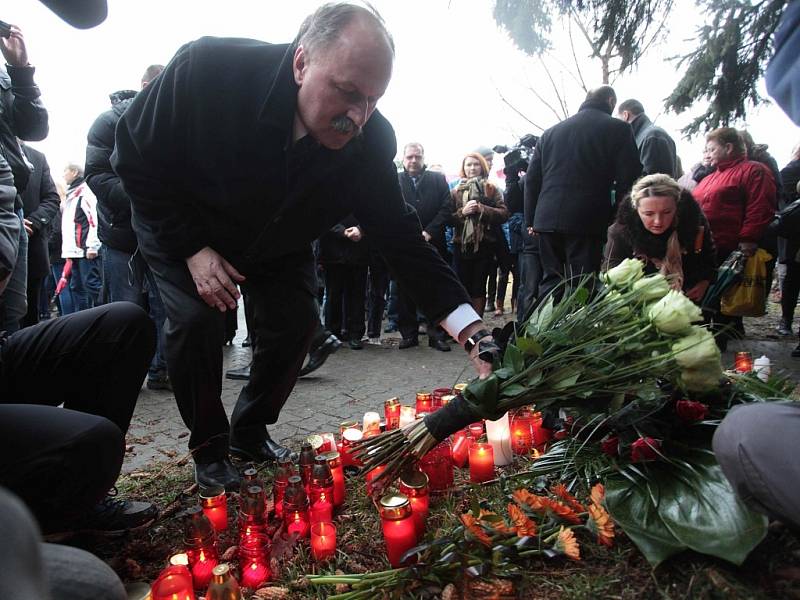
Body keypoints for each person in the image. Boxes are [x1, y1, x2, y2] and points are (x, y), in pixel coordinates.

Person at [112, 3, 496, 490]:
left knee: (297, 323)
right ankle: (209, 450)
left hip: (278, 237)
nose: (357, 116)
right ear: (301, 63)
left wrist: (473, 333)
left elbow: (399, 239)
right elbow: (132, 154)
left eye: (373, 99)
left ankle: (248, 430)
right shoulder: (207, 70)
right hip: (184, 225)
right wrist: (190, 247)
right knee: (195, 322)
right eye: (348, 92)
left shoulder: (371, 140)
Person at [85, 64, 171, 390]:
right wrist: (144, 198)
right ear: (146, 85)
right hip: (122, 237)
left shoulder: (172, 123)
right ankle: (124, 375)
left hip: (161, 235)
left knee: (166, 308)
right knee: (126, 308)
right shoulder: (108, 123)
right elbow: (97, 174)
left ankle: (162, 371)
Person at [525, 86, 642, 302]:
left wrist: (531, 219)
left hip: (546, 218)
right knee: (582, 284)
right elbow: (630, 176)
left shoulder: (551, 132)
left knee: (551, 281)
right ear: (610, 101)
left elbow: (532, 180)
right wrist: (616, 214)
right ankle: (577, 333)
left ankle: (541, 332)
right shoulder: (618, 128)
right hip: (587, 217)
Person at [692, 127, 776, 345]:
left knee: (724, 299)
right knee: (703, 296)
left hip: (730, 246)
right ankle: (699, 340)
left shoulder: (753, 171)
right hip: (705, 246)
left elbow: (760, 206)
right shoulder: (712, 175)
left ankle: (720, 344)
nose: (708, 153)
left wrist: (749, 237)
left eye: (712, 148)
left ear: (728, 147)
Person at [0, 22, 49, 333]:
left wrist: (20, 70)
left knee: (13, 311)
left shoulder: (5, 75)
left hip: (10, 203)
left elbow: (35, 129)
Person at [604, 173, 716, 301]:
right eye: (649, 214)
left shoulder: (695, 225)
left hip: (686, 300)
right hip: (638, 302)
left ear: (677, 208)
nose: (658, 221)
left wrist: (705, 281)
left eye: (667, 212)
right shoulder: (621, 232)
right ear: (636, 209)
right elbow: (611, 272)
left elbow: (709, 257)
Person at [396, 142, 452, 351]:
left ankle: (436, 334)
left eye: (417, 157)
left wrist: (429, 232)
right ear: (403, 158)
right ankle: (408, 334)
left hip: (433, 242)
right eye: (409, 157)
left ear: (423, 158)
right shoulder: (395, 180)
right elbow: (388, 209)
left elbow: (447, 208)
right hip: (403, 244)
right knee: (404, 290)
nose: (413, 161)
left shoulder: (437, 180)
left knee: (435, 289)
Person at [450, 152, 509, 316]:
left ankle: (477, 326)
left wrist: (483, 209)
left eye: (476, 164)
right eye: (468, 164)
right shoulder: (455, 190)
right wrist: (463, 212)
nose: (472, 168)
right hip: (460, 245)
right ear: (463, 168)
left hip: (485, 245)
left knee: (478, 287)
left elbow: (504, 214)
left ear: (482, 166)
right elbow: (447, 218)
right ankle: (462, 324)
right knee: (460, 286)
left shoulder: (491, 188)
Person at [19, 143, 59, 328]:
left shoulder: (37, 157)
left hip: (30, 249)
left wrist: (33, 222)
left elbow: (52, 198)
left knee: (28, 316)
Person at [319, 216, 369, 349]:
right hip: (333, 250)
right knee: (333, 295)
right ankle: (332, 333)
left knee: (357, 294)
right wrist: (342, 231)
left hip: (358, 249)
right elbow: (322, 213)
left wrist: (361, 229)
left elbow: (374, 211)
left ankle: (355, 334)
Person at [775, 144, 800, 348]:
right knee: (791, 280)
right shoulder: (790, 172)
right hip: (796, 239)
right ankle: (786, 320)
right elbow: (786, 206)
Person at [617, 99, 678, 178]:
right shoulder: (648, 136)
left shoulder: (652, 136)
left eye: (618, 119)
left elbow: (652, 183)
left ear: (625, 115)